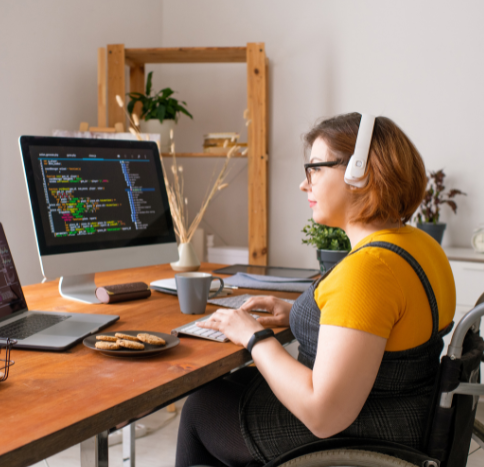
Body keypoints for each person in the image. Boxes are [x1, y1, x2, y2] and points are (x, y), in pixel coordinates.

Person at [175, 113, 456, 467]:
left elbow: (324, 414)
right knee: (236, 383)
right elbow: (380, 329)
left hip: (363, 436)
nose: (303, 185)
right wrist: (294, 312)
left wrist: (254, 337)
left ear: (360, 174)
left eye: (316, 169)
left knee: (202, 409)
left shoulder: (369, 270)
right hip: (401, 415)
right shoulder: (419, 244)